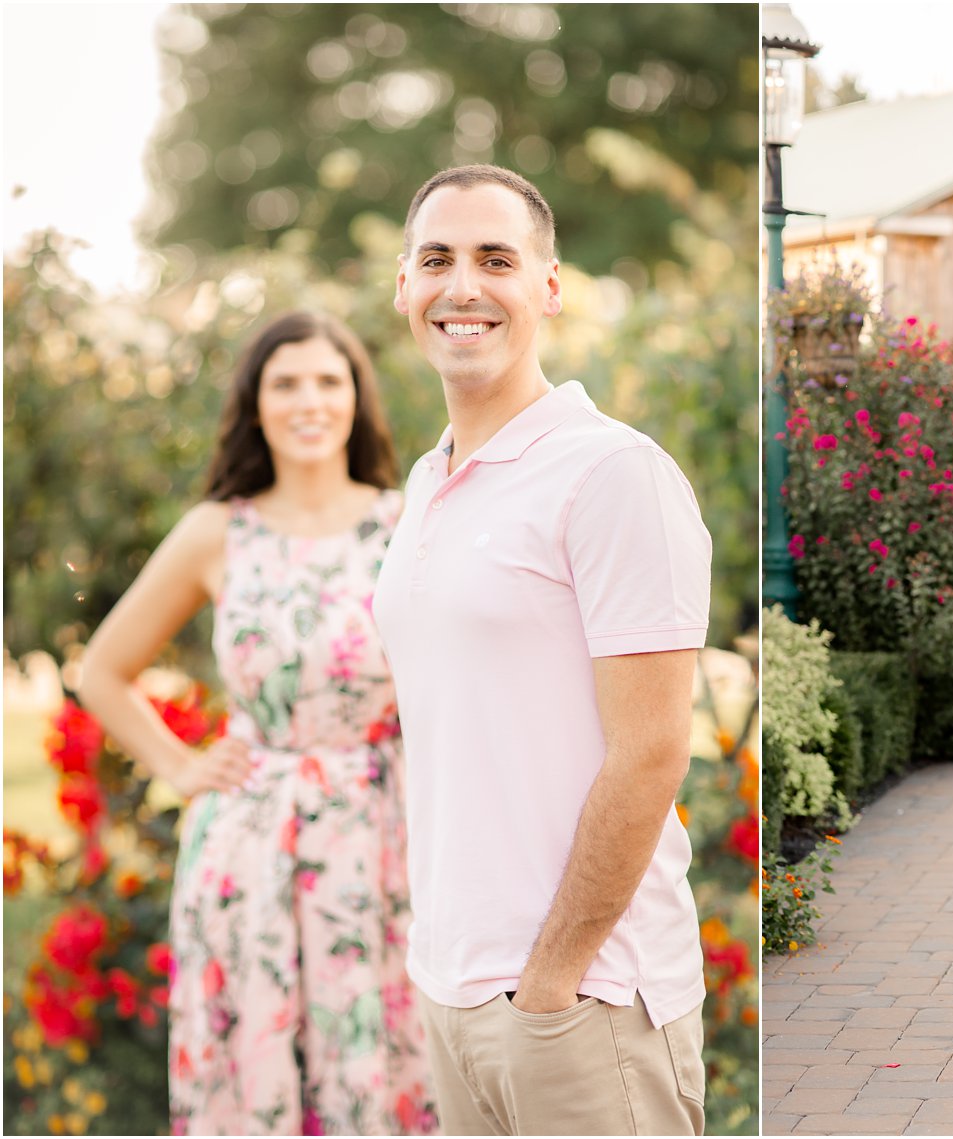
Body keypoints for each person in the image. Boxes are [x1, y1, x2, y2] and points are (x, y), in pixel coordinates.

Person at [371, 164, 711, 1135]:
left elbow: (650, 749)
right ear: (404, 287)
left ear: (548, 289)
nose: (462, 286)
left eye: (495, 259)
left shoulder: (612, 473)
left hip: (582, 999)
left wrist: (551, 981)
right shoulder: (425, 486)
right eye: (436, 259)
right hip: (452, 990)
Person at [78, 311, 438, 1134]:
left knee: (389, 1062)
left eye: (327, 380)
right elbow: (101, 671)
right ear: (255, 404)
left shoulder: (404, 521)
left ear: (356, 400)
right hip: (250, 846)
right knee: (260, 1076)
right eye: (286, 383)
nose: (308, 401)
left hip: (387, 834)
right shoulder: (218, 531)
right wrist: (176, 765)